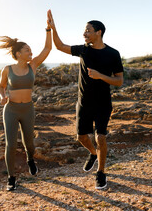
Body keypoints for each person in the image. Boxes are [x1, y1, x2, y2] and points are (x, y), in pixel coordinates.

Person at [47, 10, 124, 189]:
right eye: (84, 30)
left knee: (101, 137)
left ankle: (101, 172)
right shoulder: (83, 50)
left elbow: (119, 81)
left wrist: (100, 76)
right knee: (81, 137)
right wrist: (51, 28)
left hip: (103, 102)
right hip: (84, 102)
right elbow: (59, 46)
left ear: (99, 32)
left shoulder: (113, 54)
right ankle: (93, 153)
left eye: (88, 30)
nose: (84, 33)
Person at [0, 11, 52, 191]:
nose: (31, 52)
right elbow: (0, 86)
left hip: (28, 109)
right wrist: (2, 96)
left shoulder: (33, 66)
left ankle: (30, 159)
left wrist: (48, 29)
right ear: (18, 53)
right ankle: (11, 178)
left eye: (30, 50)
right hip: (11, 109)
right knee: (11, 144)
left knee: (29, 142)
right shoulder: (7, 69)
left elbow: (48, 49)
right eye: (27, 50)